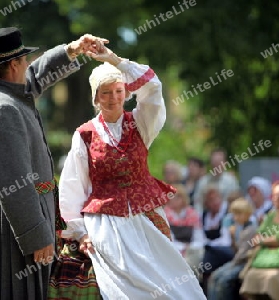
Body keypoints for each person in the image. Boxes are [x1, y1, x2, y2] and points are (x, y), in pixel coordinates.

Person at [0, 27, 107, 300]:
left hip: (1, 216)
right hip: (12, 224)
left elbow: (35, 76)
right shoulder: (3, 109)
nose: (28, 65)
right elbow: (13, 183)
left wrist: (71, 50)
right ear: (13, 64)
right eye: (24, 60)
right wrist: (36, 237)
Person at [56, 46, 206, 299]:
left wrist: (116, 61)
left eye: (118, 91)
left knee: (171, 284)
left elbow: (153, 88)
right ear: (96, 98)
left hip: (147, 216)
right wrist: (80, 232)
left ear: (126, 93)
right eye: (106, 93)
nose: (114, 98)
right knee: (123, 289)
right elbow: (73, 185)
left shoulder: (142, 122)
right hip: (107, 224)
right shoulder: (84, 134)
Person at [207, 197, 257, 300]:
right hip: (237, 261)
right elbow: (236, 249)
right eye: (234, 214)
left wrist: (232, 265)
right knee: (213, 277)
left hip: (245, 262)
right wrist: (233, 237)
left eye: (238, 214)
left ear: (247, 214)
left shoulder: (251, 230)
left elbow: (242, 254)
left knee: (223, 281)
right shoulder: (238, 228)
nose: (235, 218)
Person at [164, 184, 205, 272]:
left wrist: (189, 247)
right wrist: (183, 247)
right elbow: (168, 239)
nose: (171, 199)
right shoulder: (164, 215)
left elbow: (199, 239)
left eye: (175, 197)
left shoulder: (193, 214)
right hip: (173, 250)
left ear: (183, 198)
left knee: (191, 262)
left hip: (192, 250)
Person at [193, 148, 240, 214]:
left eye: (219, 162)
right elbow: (197, 202)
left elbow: (236, 201)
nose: (216, 165)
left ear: (224, 163)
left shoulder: (231, 181)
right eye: (214, 162)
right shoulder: (203, 181)